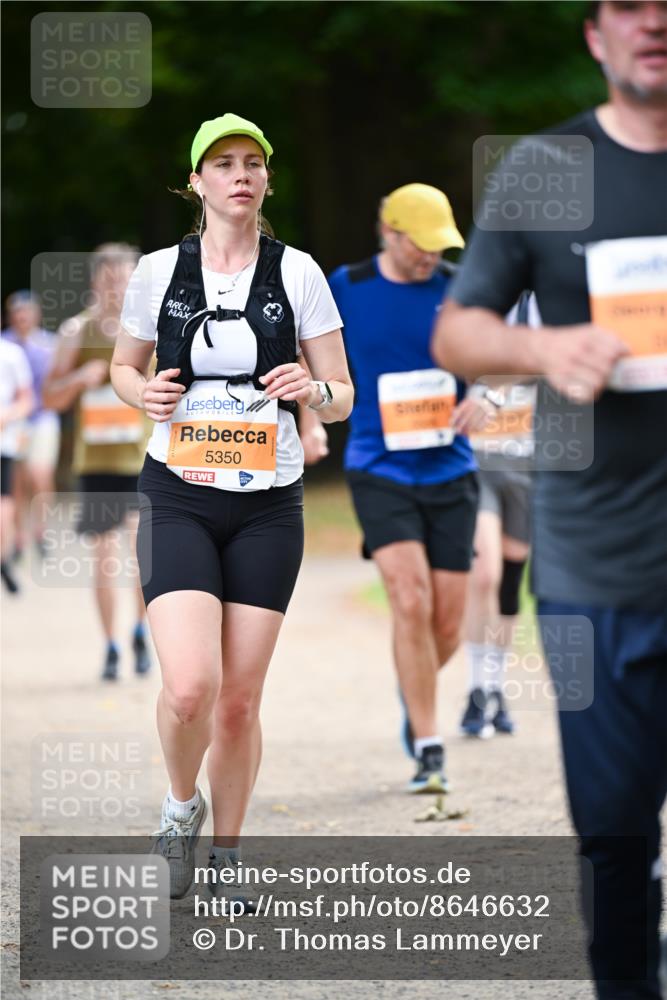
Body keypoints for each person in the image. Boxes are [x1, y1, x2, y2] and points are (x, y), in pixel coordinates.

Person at [433, 2, 667, 996]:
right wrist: (541, 348)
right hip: (594, 565)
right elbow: (457, 333)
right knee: (614, 837)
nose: (653, 22)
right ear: (595, 34)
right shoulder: (545, 168)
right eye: (629, 6)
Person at [110, 113, 353, 900]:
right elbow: (122, 365)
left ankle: (226, 855)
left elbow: (342, 394)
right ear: (197, 182)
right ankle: (181, 808)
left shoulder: (298, 273)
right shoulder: (157, 272)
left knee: (240, 701)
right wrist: (137, 391)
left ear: (267, 180)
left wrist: (310, 391)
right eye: (223, 164)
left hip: (268, 503)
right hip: (178, 492)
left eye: (253, 163)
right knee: (189, 688)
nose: (240, 174)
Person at [329, 183, 487, 794]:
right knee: (409, 600)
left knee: (446, 623)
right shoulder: (347, 286)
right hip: (379, 467)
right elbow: (312, 353)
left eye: (438, 246)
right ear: (389, 233)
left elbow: (497, 356)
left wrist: (486, 393)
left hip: (451, 469)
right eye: (421, 245)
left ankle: (412, 685)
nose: (430, 257)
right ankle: (428, 745)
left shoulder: (460, 286)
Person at [42, 243, 152, 681]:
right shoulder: (77, 331)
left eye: (124, 278)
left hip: (144, 459)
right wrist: (78, 379)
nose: (116, 286)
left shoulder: (152, 328)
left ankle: (142, 632)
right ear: (95, 281)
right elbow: (49, 397)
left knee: (144, 555)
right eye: (108, 278)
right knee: (105, 558)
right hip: (97, 463)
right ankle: (110, 645)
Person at [460, 294, 538, 738]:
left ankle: (496, 686)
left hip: (525, 469)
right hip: (481, 464)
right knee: (483, 574)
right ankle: (475, 689)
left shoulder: (546, 302)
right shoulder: (478, 302)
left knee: (510, 582)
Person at [2, 291, 60, 561]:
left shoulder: (51, 344)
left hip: (43, 417)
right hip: (15, 422)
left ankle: (41, 530)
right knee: (17, 481)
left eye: (26, 312)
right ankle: (18, 537)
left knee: (40, 475)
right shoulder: (5, 345)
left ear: (36, 314)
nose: (22, 317)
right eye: (17, 312)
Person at [0, 337, 34, 593]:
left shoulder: (11, 353)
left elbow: (26, 400)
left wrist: (7, 416)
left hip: (4, 443)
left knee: (5, 503)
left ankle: (4, 559)